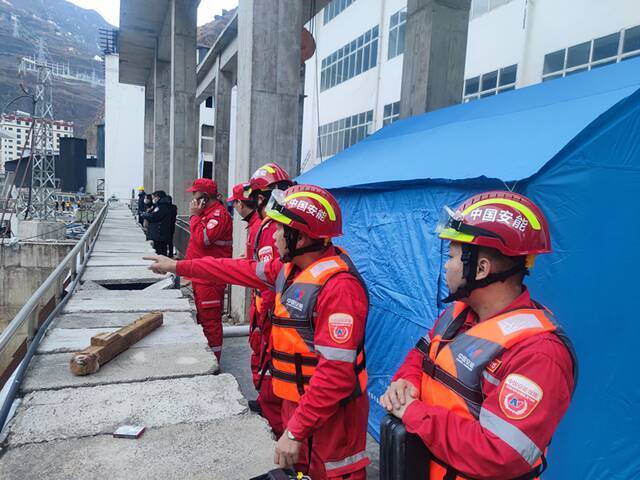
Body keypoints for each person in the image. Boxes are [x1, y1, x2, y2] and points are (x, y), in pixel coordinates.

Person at [145, 184, 371, 480]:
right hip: (300, 405)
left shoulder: (339, 289)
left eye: (279, 229)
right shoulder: (288, 270)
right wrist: (178, 266)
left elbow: (336, 374)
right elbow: (235, 269)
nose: (273, 236)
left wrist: (296, 429)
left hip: (331, 420)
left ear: (300, 237)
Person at [380, 191, 578, 480]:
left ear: (481, 269)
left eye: (451, 255)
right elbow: (422, 355)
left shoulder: (539, 354)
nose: (446, 265)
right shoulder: (458, 314)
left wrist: (414, 413)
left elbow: (499, 453)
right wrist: (405, 382)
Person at [184, 178, 233, 360]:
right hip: (202, 276)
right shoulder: (207, 214)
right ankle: (207, 357)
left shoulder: (218, 215)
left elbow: (203, 239)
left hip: (210, 278)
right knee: (204, 320)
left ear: (204, 197)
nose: (192, 199)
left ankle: (213, 361)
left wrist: (195, 216)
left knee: (210, 322)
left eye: (195, 195)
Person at [141, 190, 172, 256]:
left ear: (158, 197)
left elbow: (155, 216)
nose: (153, 199)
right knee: (159, 250)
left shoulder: (162, 207)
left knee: (160, 252)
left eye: (154, 198)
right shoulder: (158, 206)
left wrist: (145, 215)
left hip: (159, 234)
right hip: (158, 234)